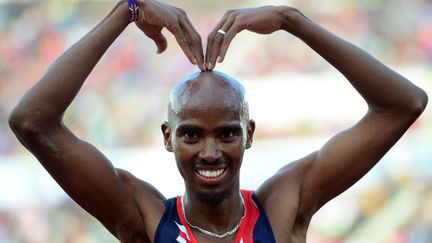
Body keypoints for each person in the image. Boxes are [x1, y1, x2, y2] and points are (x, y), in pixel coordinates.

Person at [8, 0, 428, 242]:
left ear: (248, 135)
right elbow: (32, 121)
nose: (210, 152)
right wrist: (127, 10)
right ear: (168, 138)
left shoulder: (282, 208)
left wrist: (292, 22)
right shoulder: (145, 218)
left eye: (226, 133)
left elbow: (403, 104)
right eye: (192, 134)